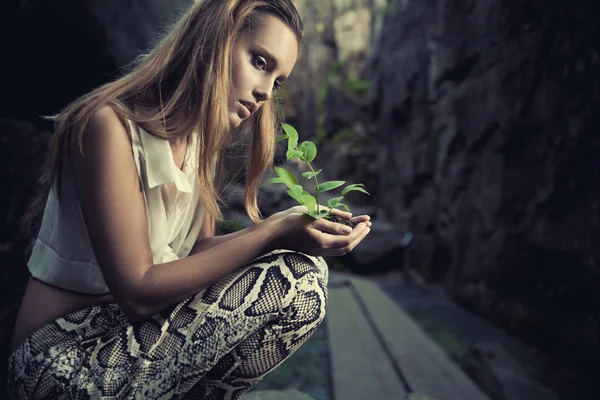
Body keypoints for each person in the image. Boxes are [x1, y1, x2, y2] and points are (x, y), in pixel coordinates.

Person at [7, 0, 372, 398]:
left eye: (278, 80)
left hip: (132, 344)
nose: (266, 92)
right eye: (260, 62)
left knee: (307, 273)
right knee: (298, 280)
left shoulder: (201, 144)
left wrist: (290, 230)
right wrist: (271, 231)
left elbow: (195, 255)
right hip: (58, 360)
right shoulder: (107, 125)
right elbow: (138, 292)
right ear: (215, 38)